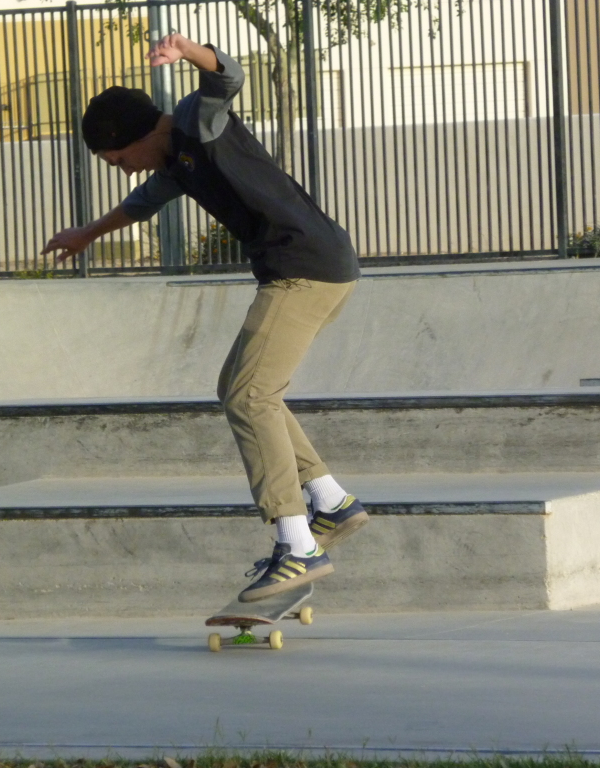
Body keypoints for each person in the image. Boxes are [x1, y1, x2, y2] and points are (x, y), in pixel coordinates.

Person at [41, 33, 367, 602]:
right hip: (314, 266)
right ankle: (332, 502)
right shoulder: (178, 165)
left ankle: (298, 545)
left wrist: (187, 50)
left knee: (249, 397)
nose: (122, 171)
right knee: (241, 389)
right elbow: (142, 201)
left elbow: (228, 79)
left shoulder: (197, 121)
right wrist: (85, 234)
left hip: (303, 267)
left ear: (137, 136)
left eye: (118, 160)